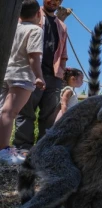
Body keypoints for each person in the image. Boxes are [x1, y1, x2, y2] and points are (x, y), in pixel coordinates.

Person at [13, 0, 68, 154]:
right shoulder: (31, 16)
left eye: (58, 0)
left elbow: (63, 53)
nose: (54, 2)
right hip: (32, 72)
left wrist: (61, 72)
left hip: (53, 75)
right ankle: (23, 147)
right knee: (26, 111)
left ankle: (43, 149)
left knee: (50, 115)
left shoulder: (62, 26)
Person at [0, 0, 45, 165]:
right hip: (22, 75)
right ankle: (3, 150)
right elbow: (34, 56)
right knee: (9, 112)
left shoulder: (12, 27)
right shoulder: (35, 30)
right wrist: (39, 76)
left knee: (2, 111)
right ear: (38, 13)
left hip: (6, 72)